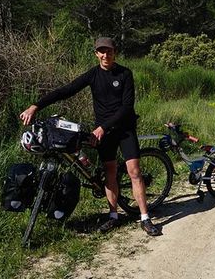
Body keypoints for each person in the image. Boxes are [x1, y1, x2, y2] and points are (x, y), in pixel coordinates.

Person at [19, 37, 161, 236]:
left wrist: (103, 126)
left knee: (134, 171)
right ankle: (113, 216)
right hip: (104, 132)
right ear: (96, 54)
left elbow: (126, 107)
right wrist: (36, 106)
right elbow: (65, 91)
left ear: (114, 53)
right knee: (110, 172)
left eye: (109, 51)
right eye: (101, 51)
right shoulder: (93, 75)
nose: (105, 55)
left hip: (125, 129)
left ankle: (145, 218)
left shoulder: (125, 74)